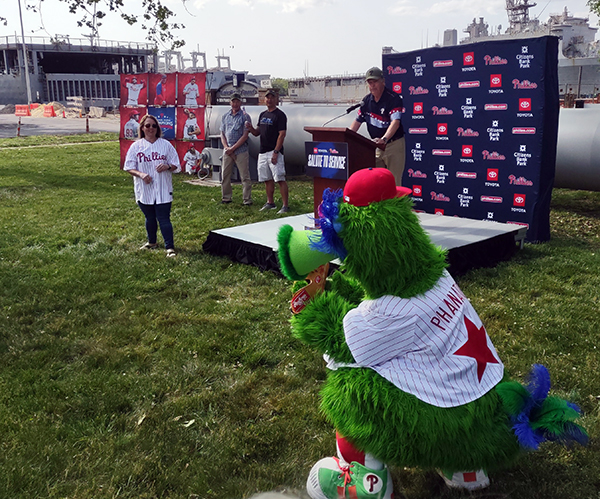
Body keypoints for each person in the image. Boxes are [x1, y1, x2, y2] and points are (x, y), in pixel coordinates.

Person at [123, 114, 180, 257]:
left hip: (163, 188)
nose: (151, 128)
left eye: (154, 126)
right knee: (149, 217)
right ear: (142, 128)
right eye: (147, 125)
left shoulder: (165, 145)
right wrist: (141, 174)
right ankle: (152, 242)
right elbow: (129, 167)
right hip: (144, 188)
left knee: (164, 218)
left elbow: (177, 165)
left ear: (157, 128)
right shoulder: (136, 146)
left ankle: (170, 247)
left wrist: (167, 166)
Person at [349, 67, 406, 185]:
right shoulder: (366, 101)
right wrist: (346, 138)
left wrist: (384, 139)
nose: (372, 85)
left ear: (383, 81)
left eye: (375, 82)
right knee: (377, 183)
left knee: (394, 183)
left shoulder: (393, 98)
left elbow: (395, 122)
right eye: (370, 82)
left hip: (393, 145)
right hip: (376, 146)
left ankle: (395, 204)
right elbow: (356, 122)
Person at [247, 89, 289, 214]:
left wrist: (276, 151)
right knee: (267, 178)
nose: (269, 100)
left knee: (279, 178)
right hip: (263, 151)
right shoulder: (263, 115)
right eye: (267, 98)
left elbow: (282, 134)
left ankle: (285, 205)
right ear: (264, 100)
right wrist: (250, 128)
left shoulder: (280, 115)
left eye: (272, 97)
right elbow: (257, 132)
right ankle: (270, 202)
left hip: (274, 151)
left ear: (276, 99)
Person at [220, 93, 253, 205]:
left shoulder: (245, 116)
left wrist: (233, 148)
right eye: (233, 101)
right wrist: (226, 148)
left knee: (245, 176)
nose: (235, 104)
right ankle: (226, 198)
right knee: (225, 175)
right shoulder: (225, 116)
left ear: (240, 102)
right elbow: (222, 133)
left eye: (237, 101)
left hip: (240, 150)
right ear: (230, 103)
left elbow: (245, 135)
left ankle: (247, 199)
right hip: (227, 150)